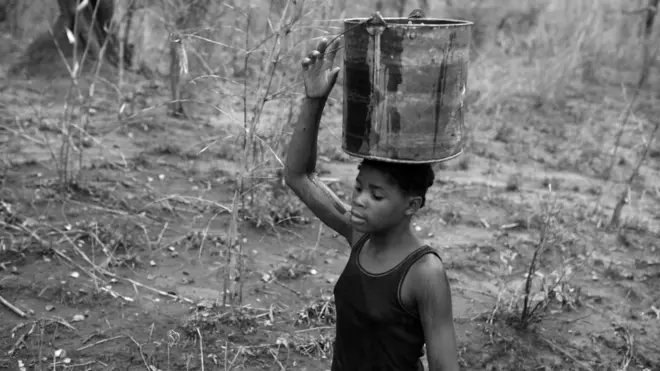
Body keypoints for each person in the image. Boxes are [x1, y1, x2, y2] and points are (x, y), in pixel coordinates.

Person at [284, 37, 460, 371]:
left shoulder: (424, 274)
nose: (359, 200)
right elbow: (298, 176)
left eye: (377, 196)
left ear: (412, 205)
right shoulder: (358, 235)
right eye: (359, 187)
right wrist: (314, 99)